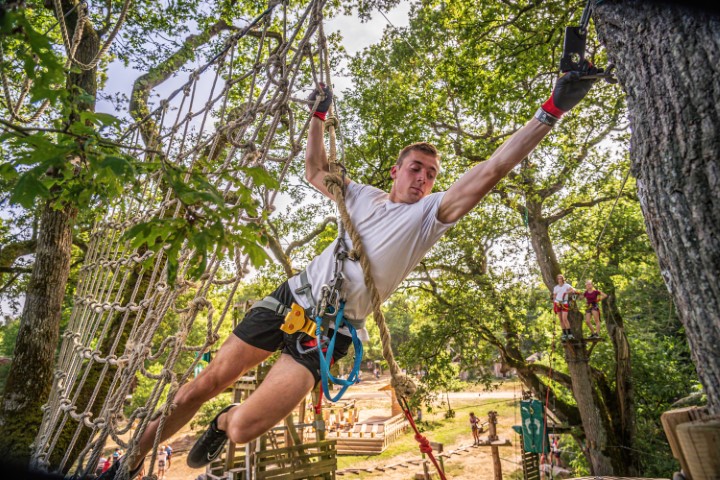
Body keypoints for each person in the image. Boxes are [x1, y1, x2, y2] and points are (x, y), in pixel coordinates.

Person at [97, 59, 598, 480]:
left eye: (432, 174)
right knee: (200, 385)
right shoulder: (359, 195)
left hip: (334, 331)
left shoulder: (430, 217)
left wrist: (550, 111)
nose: (423, 179)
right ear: (396, 171)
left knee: (247, 426)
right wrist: (316, 117)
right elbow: (315, 171)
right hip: (291, 300)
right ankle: (132, 459)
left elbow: (491, 170)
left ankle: (223, 422)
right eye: (416, 169)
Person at [552, 274, 578, 341]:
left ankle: (569, 334)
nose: (559, 280)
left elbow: (574, 290)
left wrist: (567, 292)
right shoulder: (556, 287)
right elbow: (554, 296)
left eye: (560, 278)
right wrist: (554, 304)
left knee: (564, 318)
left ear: (563, 279)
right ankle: (564, 334)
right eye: (558, 278)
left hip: (564, 303)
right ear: (557, 280)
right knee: (560, 319)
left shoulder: (566, 285)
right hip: (558, 303)